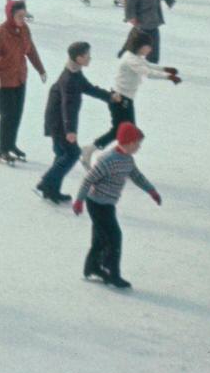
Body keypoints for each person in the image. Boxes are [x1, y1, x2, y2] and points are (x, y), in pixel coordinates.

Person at [72, 121, 161, 288]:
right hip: (96, 204)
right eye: (137, 144)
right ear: (128, 142)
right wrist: (79, 201)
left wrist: (151, 191)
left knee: (100, 239)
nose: (139, 148)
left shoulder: (128, 160)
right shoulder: (108, 160)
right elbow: (88, 179)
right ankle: (113, 274)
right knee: (114, 238)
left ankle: (92, 267)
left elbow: (136, 176)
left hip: (108, 204)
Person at [36, 41, 113, 204]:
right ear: (78, 58)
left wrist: (109, 97)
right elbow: (68, 106)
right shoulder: (70, 79)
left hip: (57, 120)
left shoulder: (74, 73)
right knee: (72, 153)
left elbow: (89, 88)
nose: (90, 58)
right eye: (87, 56)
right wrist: (70, 130)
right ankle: (46, 183)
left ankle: (52, 190)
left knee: (61, 154)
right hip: (61, 123)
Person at [88, 28, 179, 156]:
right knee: (126, 132)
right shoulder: (131, 60)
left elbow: (148, 65)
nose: (150, 49)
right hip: (120, 99)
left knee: (124, 131)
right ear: (140, 46)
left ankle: (100, 152)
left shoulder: (135, 57)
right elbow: (148, 73)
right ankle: (98, 152)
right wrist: (168, 76)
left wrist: (166, 69)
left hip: (124, 98)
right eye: (148, 47)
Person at [0, 1, 47, 164]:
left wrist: (40, 69)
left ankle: (11, 144)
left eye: (24, 16)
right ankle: (2, 150)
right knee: (7, 115)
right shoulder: (1, 33)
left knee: (17, 114)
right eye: (19, 16)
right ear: (10, 15)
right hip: (3, 81)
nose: (22, 19)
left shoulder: (25, 29)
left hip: (20, 78)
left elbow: (31, 50)